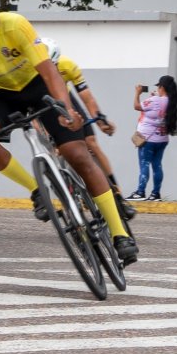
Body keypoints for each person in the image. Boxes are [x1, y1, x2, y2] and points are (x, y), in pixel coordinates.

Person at [0, 0, 137, 265]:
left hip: (39, 87)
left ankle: (120, 234)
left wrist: (66, 109)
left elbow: (50, 74)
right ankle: (37, 190)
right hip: (1, 95)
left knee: (78, 154)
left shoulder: (16, 26)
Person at [40, 38, 136, 220]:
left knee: (91, 142)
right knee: (55, 149)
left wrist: (100, 120)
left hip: (65, 100)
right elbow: (34, 115)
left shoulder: (68, 66)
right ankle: (69, 198)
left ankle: (117, 195)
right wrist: (46, 136)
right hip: (42, 103)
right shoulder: (30, 71)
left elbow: (86, 97)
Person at [127, 75, 177, 201]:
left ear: (162, 87)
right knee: (157, 165)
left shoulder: (155, 100)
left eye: (159, 87)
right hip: (162, 139)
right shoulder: (171, 101)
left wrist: (137, 93)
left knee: (144, 164)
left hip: (148, 139)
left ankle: (140, 192)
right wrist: (154, 97)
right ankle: (155, 194)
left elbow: (136, 106)